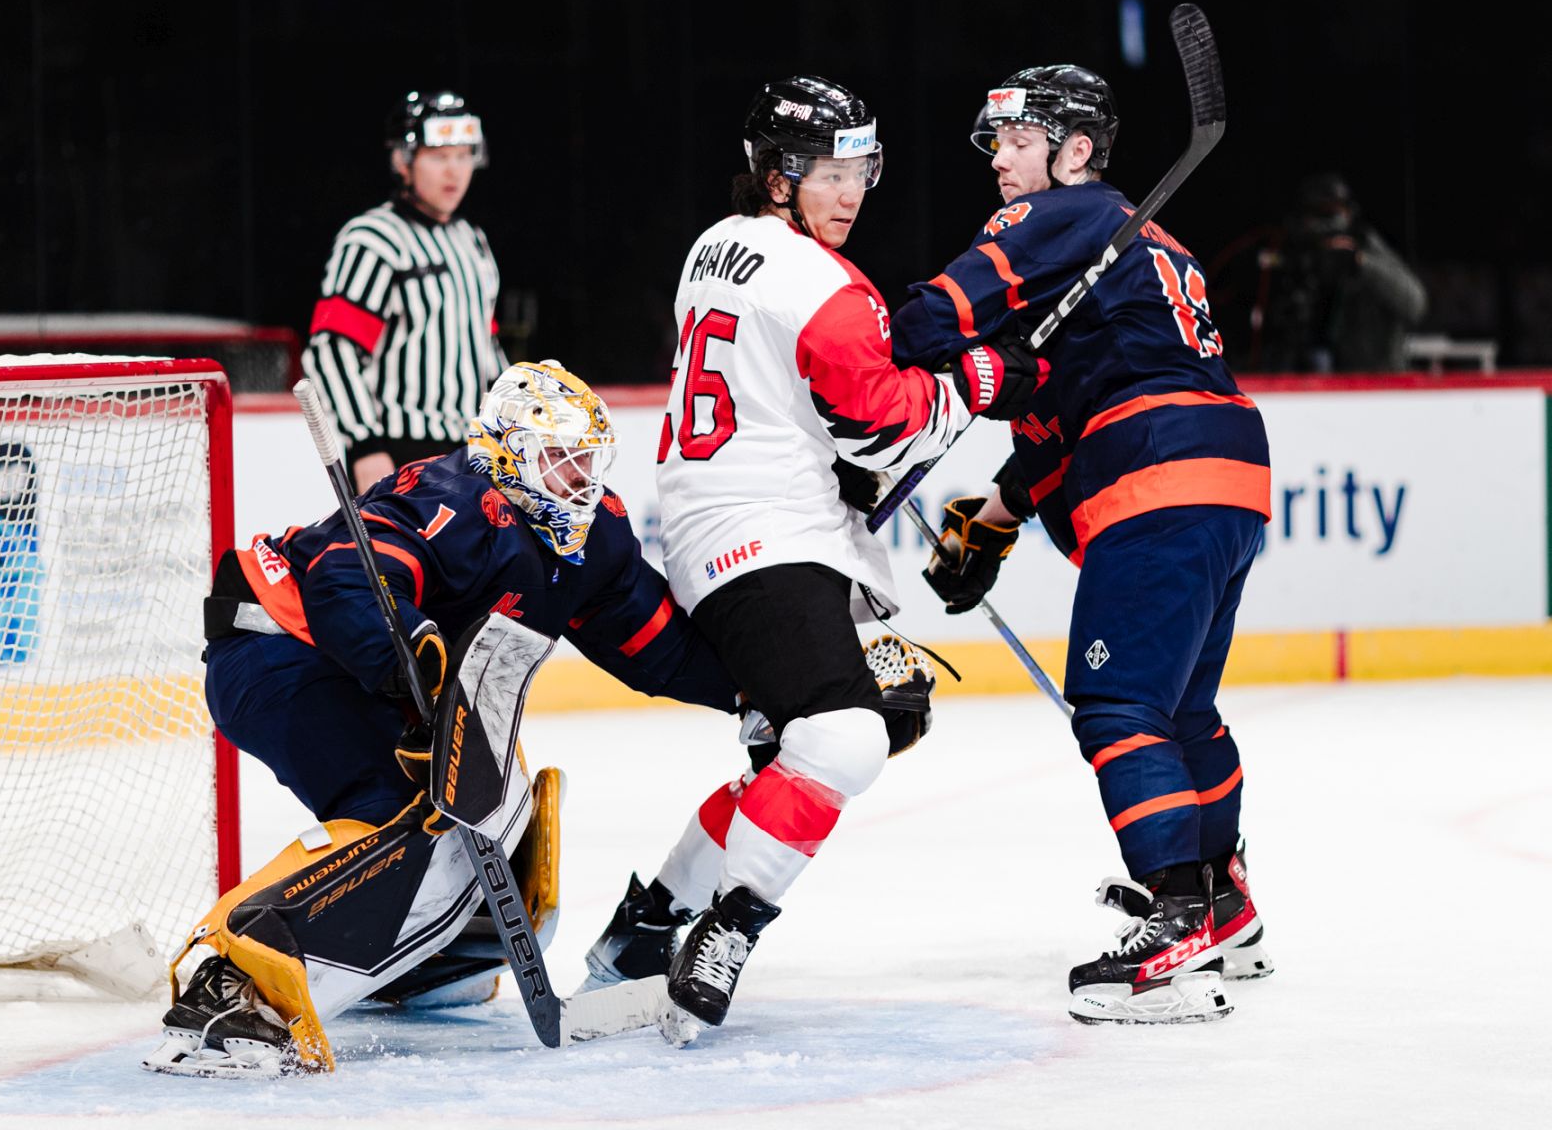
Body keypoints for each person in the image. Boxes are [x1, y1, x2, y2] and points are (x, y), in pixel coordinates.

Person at [577, 75, 1044, 1046]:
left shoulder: (714, 246)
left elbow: (812, 421)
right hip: (767, 544)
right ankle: (724, 932)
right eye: (827, 173)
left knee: (828, 740)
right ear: (777, 176)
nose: (850, 194)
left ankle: (644, 925)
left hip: (730, 537)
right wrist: (979, 379)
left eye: (860, 171)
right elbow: (879, 436)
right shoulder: (826, 286)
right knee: (847, 739)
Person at [144, 361, 744, 1077]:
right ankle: (233, 992)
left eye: (588, 459)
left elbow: (660, 648)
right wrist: (410, 665)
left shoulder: (592, 537)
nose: (579, 478)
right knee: (405, 817)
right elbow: (346, 580)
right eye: (560, 459)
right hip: (278, 651)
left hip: (361, 677)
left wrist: (776, 691)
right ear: (508, 453)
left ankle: (416, 962)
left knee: (488, 806)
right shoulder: (451, 497)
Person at [889, 64, 1277, 1025]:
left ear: (1072, 151)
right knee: (1184, 709)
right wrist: (997, 515)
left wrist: (964, 359)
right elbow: (1075, 403)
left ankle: (1179, 916)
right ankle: (1224, 900)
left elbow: (928, 322)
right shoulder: (1151, 247)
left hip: (1156, 477)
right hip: (1227, 473)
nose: (1002, 165)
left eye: (1018, 143)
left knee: (1116, 704)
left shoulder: (1066, 217)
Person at [302, 89, 508, 493]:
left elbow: (485, 348)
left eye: (464, 155)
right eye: (438, 156)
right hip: (400, 452)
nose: (455, 171)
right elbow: (332, 348)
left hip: (472, 450)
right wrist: (365, 446)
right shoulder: (374, 239)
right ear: (403, 161)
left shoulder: (472, 240)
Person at [1209, 171, 1428, 372]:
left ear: (1349, 213)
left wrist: (1360, 263)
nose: (1325, 225)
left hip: (1370, 375)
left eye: (1332, 213)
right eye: (1316, 215)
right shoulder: (1288, 249)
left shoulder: (1366, 246)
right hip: (1299, 370)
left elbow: (1415, 304)